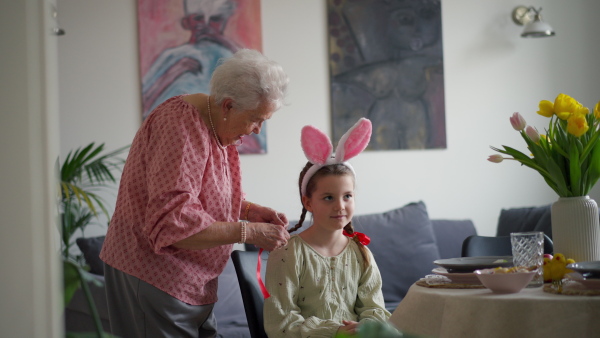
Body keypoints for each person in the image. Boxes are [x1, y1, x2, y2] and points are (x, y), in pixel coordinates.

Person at [100, 49, 291, 338]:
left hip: (191, 281)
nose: (257, 130)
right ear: (228, 105)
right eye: (255, 119)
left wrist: (249, 211)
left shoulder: (220, 126)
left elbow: (203, 193)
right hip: (152, 273)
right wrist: (247, 232)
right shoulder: (180, 127)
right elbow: (173, 221)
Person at [264, 118, 391, 337]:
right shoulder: (287, 254)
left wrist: (365, 326)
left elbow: (375, 309)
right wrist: (335, 331)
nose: (340, 206)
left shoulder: (361, 253)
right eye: (328, 197)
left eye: (347, 196)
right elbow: (281, 324)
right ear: (308, 202)